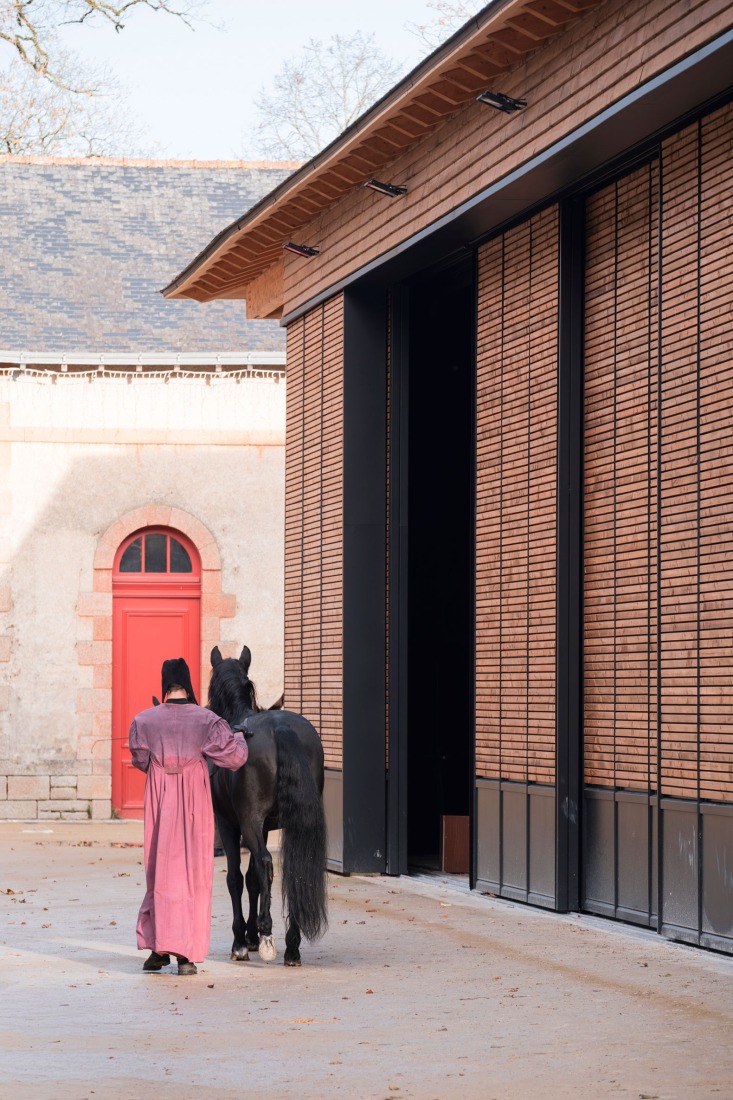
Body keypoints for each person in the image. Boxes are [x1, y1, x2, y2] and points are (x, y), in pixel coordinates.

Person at [129, 656, 248, 976]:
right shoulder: (206, 720)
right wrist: (239, 736)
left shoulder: (144, 720)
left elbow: (140, 758)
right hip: (194, 801)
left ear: (164, 685)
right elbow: (234, 758)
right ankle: (186, 956)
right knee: (193, 874)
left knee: (160, 872)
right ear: (188, 683)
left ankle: (159, 948)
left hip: (160, 801)